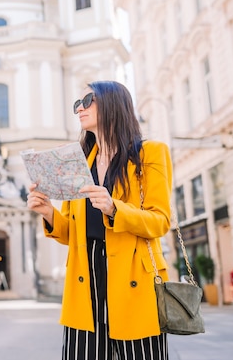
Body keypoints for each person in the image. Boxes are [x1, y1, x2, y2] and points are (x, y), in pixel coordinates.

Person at [27, 81, 172, 359]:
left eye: (88, 100)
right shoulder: (77, 162)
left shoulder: (149, 154)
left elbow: (160, 221)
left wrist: (114, 208)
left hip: (134, 282)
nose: (79, 108)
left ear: (113, 102)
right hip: (85, 284)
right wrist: (47, 212)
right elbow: (73, 233)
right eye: (76, 104)